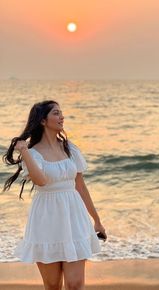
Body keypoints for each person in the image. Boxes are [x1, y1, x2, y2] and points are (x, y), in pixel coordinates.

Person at [2, 100, 107, 290]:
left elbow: (81, 187)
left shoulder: (69, 148)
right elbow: (41, 181)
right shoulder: (32, 154)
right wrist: (24, 151)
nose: (62, 117)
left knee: (75, 284)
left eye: (61, 113)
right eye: (56, 113)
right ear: (43, 120)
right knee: (52, 286)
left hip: (74, 216)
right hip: (46, 219)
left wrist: (96, 220)